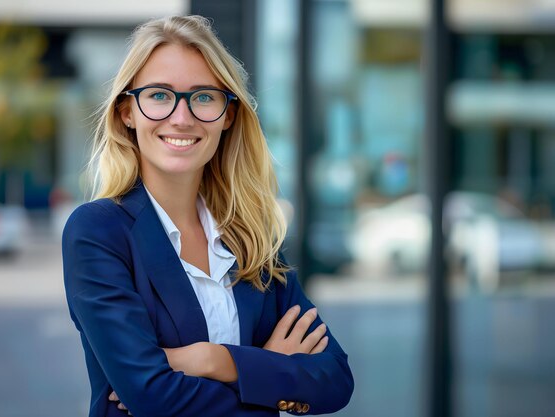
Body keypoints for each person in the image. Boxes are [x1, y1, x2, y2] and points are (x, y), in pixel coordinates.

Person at [62, 15, 354, 417]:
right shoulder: (98, 232)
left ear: (228, 115)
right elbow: (152, 396)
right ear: (127, 111)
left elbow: (334, 379)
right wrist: (265, 373)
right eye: (160, 95)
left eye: (203, 97)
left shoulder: (250, 235)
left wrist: (212, 359)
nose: (182, 117)